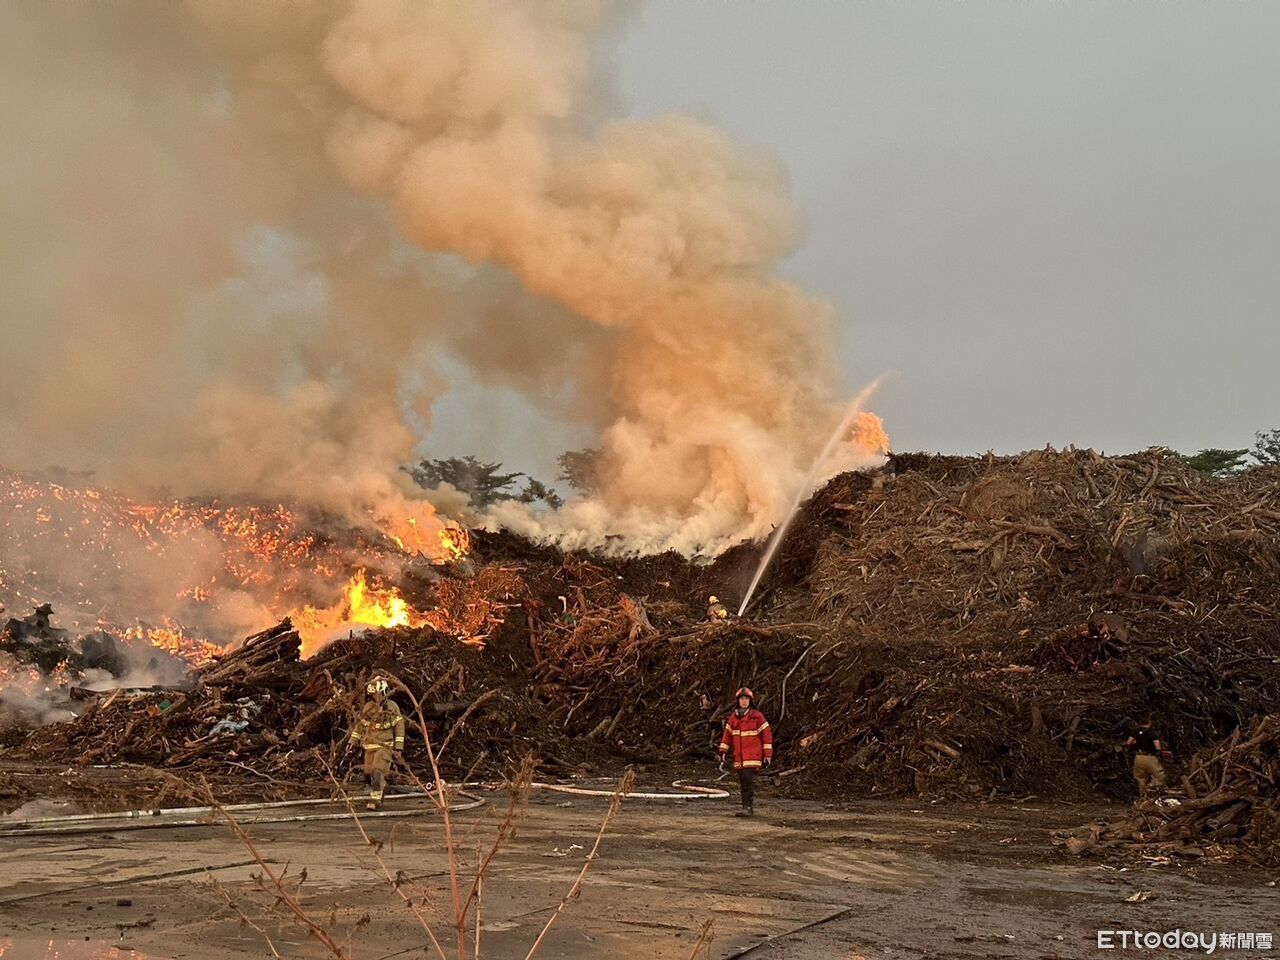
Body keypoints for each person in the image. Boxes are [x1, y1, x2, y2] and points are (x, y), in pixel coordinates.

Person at [349, 675, 406, 810]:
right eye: (373, 694)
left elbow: (399, 727)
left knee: (377, 771)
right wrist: (352, 741)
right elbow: (360, 725)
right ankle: (383, 787)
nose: (376, 697)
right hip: (369, 747)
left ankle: (375, 800)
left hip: (385, 747)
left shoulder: (392, 707)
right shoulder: (368, 708)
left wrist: (398, 748)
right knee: (367, 774)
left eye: (378, 694)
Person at [718, 686, 772, 817]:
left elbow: (767, 735)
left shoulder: (757, 717)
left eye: (746, 699)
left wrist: (768, 754)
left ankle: (748, 807)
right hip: (739, 757)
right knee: (743, 782)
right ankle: (746, 806)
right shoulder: (733, 719)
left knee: (747, 781)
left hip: (752, 756)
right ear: (738, 701)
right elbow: (727, 735)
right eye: (742, 698)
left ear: (750, 701)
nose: (744, 701)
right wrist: (723, 751)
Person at [1124, 718, 1172, 797]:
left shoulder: (1135, 732)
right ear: (1149, 723)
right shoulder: (1152, 733)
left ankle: (1142, 796)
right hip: (1150, 757)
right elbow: (1157, 746)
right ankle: (1153, 792)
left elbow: (1128, 742)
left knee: (1140, 779)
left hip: (1138, 757)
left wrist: (1136, 743)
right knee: (1159, 776)